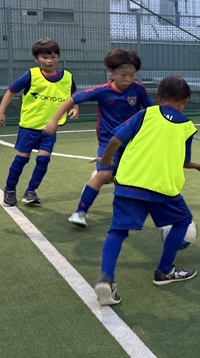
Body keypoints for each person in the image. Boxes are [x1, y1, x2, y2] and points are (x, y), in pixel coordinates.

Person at [93, 76, 200, 306]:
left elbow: (115, 139)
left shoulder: (145, 114)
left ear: (157, 96)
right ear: (186, 100)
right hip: (162, 188)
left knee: (117, 231)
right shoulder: (187, 126)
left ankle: (106, 278)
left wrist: (106, 160)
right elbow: (182, 160)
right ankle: (164, 271)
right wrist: (198, 166)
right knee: (182, 221)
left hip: (128, 183)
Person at [44, 49, 152, 227]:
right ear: (111, 72)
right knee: (105, 174)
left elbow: (151, 111)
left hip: (131, 143)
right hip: (108, 142)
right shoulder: (102, 91)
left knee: (123, 178)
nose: (128, 79)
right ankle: (80, 212)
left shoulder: (138, 90)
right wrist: (54, 120)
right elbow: (72, 100)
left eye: (132, 75)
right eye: (123, 74)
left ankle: (98, 184)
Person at [0, 39, 77, 207]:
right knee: (22, 159)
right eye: (44, 57)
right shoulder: (31, 75)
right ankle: (10, 189)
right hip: (29, 126)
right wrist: (0, 112)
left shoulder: (67, 77)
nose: (49, 61)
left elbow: (74, 94)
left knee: (43, 160)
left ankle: (30, 191)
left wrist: (75, 107)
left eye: (53, 57)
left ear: (58, 57)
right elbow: (11, 91)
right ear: (36, 58)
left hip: (50, 129)